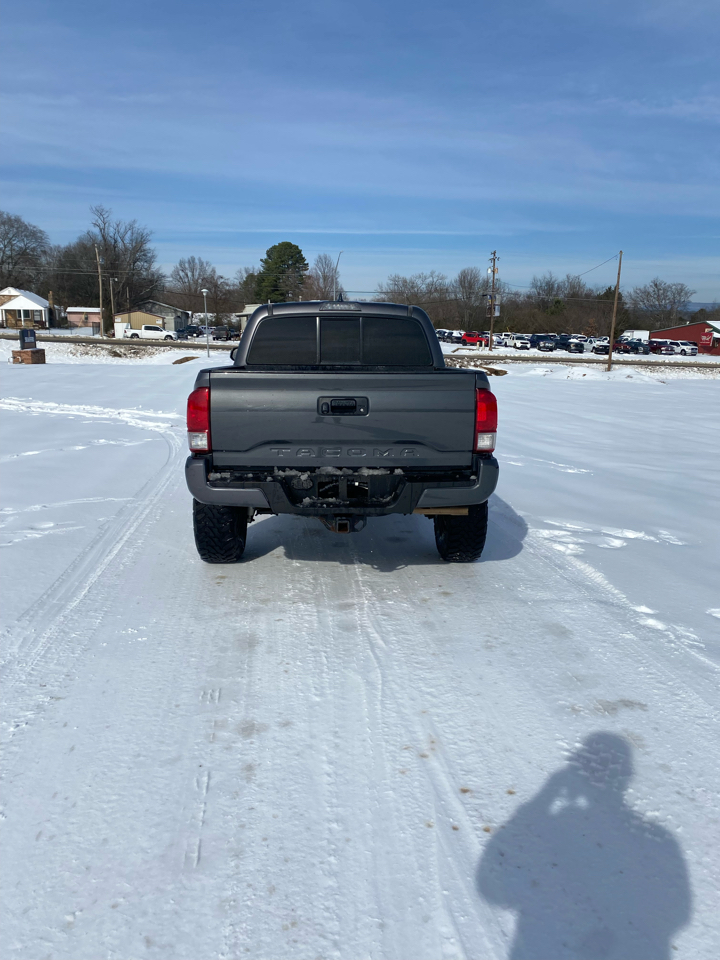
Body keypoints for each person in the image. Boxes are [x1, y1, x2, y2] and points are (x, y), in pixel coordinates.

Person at [477, 733, 691, 960]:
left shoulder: (554, 829)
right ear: (627, 776)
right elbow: (678, 912)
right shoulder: (659, 840)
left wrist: (542, 800)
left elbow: (492, 888)